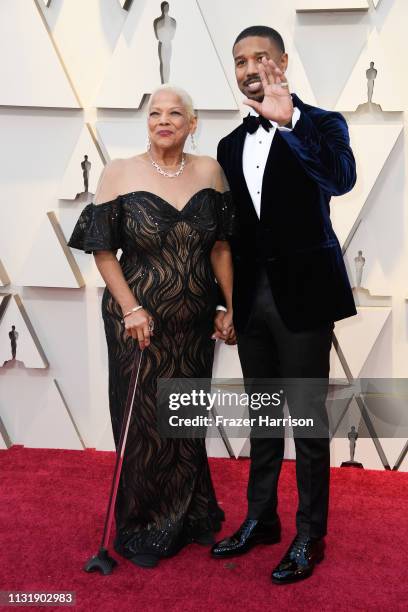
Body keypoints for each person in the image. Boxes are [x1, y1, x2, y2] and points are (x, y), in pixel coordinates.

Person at [68, 84, 236, 569]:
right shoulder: (119, 172)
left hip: (195, 321)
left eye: (175, 113)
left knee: (184, 418)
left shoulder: (210, 171)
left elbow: (221, 247)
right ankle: (143, 522)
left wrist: (230, 306)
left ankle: (189, 515)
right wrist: (130, 309)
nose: (164, 120)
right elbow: (103, 251)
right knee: (142, 423)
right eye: (155, 113)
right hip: (138, 319)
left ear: (192, 122)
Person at [211, 26, 357, 584]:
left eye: (262, 58)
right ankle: (261, 520)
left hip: (304, 299)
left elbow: (339, 180)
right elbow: (230, 235)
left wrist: (289, 121)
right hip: (250, 303)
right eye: (242, 60)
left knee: (308, 422)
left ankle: (309, 535)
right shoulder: (229, 144)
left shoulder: (322, 124)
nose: (252, 68)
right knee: (265, 418)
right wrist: (223, 305)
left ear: (283, 62)